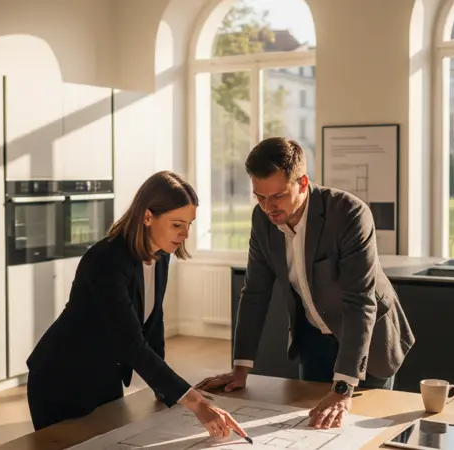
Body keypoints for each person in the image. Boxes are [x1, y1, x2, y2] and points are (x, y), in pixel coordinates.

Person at [196, 137, 415, 430]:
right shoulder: (263, 221)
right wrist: (240, 368)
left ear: (302, 183)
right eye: (259, 197)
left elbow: (360, 301)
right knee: (311, 429)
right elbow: (255, 293)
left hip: (367, 339)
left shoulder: (349, 213)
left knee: (363, 430)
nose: (268, 207)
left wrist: (342, 388)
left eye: (277, 196)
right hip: (313, 339)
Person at [26, 170, 247, 441]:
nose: (185, 234)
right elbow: (130, 342)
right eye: (177, 224)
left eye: (189, 224)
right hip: (61, 379)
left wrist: (163, 389)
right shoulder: (106, 261)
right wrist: (197, 403)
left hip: (105, 376)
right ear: (147, 217)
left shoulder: (162, 255)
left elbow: (153, 322)